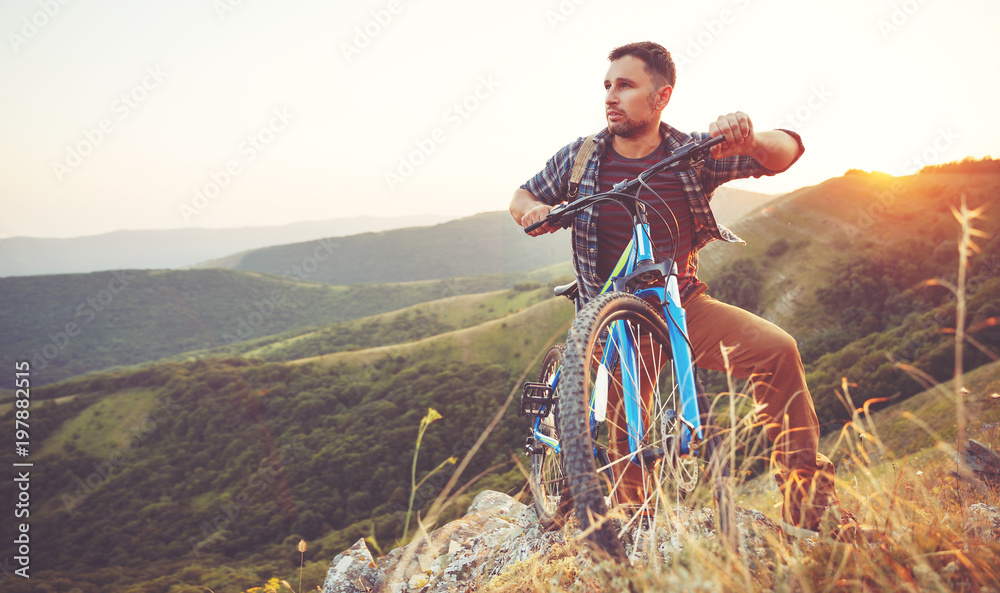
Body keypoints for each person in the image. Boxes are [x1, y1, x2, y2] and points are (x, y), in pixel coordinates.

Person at [509, 41, 860, 540]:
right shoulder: (580, 158)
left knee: (779, 352)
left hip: (682, 306)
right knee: (626, 436)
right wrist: (530, 212)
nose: (611, 95)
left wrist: (749, 136)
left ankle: (806, 514)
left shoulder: (692, 155)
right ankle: (637, 532)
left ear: (661, 96)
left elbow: (786, 152)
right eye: (607, 86)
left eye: (626, 85)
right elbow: (523, 195)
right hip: (606, 320)